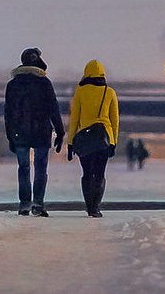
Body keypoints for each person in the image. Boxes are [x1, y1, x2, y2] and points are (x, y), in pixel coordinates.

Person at [3, 46, 64, 217]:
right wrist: (60, 131)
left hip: (20, 134)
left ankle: (24, 204)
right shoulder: (44, 83)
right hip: (41, 132)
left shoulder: (12, 84)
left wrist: (10, 135)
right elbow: (53, 108)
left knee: (23, 168)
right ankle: (38, 204)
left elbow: (8, 113)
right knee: (40, 168)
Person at [65, 58, 119, 218]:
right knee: (100, 173)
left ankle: (89, 206)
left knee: (87, 173)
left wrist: (70, 143)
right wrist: (113, 141)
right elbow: (115, 120)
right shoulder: (109, 92)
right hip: (104, 138)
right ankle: (96, 207)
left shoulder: (80, 91)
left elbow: (74, 119)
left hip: (85, 139)